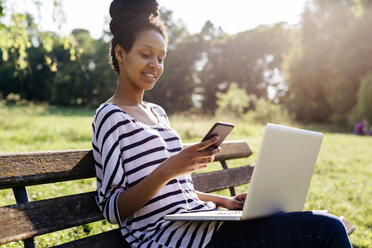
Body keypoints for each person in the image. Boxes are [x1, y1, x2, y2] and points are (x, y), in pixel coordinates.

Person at [91, 0, 352, 247]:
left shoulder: (158, 112)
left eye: (161, 58)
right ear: (120, 53)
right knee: (327, 231)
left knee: (325, 225)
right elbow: (114, 209)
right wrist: (169, 168)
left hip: (203, 224)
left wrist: (224, 202)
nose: (155, 65)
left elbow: (174, 193)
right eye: (146, 54)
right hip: (170, 239)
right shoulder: (110, 117)